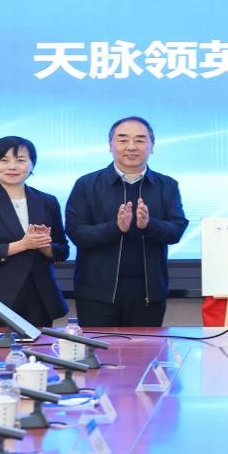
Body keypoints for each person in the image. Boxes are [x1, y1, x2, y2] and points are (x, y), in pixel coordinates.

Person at [65, 116, 188, 327]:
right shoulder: (87, 184)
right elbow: (76, 233)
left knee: (146, 348)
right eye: (123, 140)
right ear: (110, 145)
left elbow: (176, 230)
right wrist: (116, 228)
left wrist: (148, 225)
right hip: (96, 293)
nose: (131, 146)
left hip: (149, 293)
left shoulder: (167, 185)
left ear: (152, 146)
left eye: (140, 140)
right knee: (99, 348)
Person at [0, 136, 70, 332]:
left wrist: (45, 246)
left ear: (32, 164)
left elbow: (62, 250)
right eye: (4, 160)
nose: (12, 166)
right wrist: (22, 245)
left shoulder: (47, 201)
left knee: (38, 350)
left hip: (39, 293)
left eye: (20, 160)